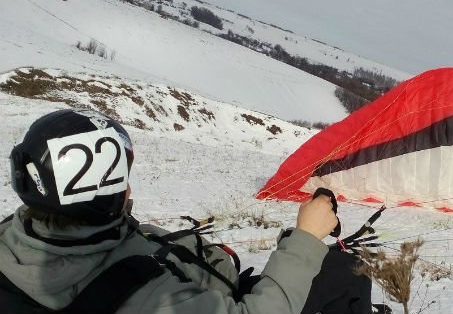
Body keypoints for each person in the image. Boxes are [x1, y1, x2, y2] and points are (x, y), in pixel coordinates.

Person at [0, 109, 375, 314]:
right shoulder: (139, 294)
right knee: (341, 272)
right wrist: (306, 239)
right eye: (122, 177)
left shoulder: (12, 239)